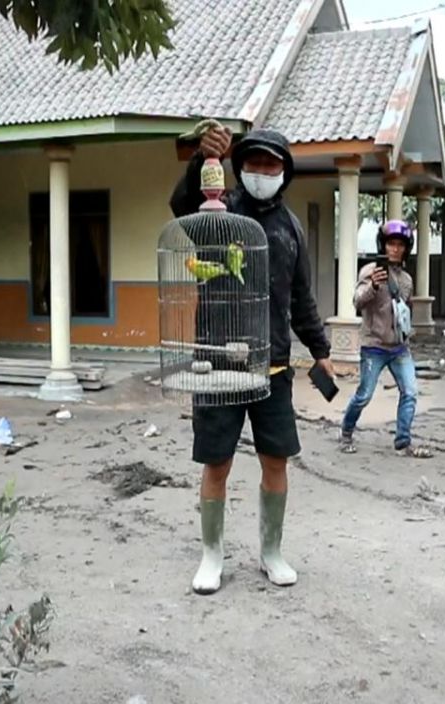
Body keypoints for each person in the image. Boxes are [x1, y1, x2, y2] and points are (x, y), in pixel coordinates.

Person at [170, 122, 336, 595]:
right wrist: (202, 161)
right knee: (216, 463)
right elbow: (181, 206)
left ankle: (271, 552)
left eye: (272, 164)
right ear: (240, 168)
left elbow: (301, 297)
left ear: (285, 172)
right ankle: (211, 555)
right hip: (219, 362)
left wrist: (321, 351)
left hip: (274, 366)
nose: (262, 170)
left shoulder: (291, 228)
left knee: (275, 460)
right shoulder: (216, 212)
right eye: (254, 162)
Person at [338, 220, 432, 458]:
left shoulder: (407, 280)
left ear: (406, 248)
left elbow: (404, 309)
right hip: (374, 347)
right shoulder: (370, 271)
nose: (395, 249)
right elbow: (357, 301)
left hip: (400, 348)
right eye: (391, 244)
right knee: (364, 395)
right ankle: (346, 431)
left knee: (410, 392)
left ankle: (403, 442)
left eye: (400, 245)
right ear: (384, 245)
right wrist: (373, 286)